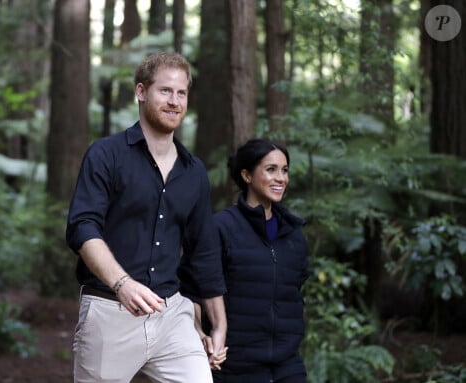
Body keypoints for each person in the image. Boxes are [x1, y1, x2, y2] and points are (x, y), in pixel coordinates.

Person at [65, 51, 227, 383]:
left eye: (181, 93)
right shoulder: (106, 154)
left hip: (172, 315)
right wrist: (121, 283)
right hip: (111, 311)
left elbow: (204, 252)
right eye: (165, 91)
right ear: (141, 92)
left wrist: (219, 324)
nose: (174, 101)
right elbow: (82, 227)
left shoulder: (193, 171)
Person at [196, 138, 310, 383]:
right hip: (234, 367)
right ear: (246, 175)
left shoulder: (294, 234)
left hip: (288, 366)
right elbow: (196, 291)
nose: (281, 178)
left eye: (285, 170)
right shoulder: (220, 228)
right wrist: (202, 335)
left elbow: (295, 292)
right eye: (271, 170)